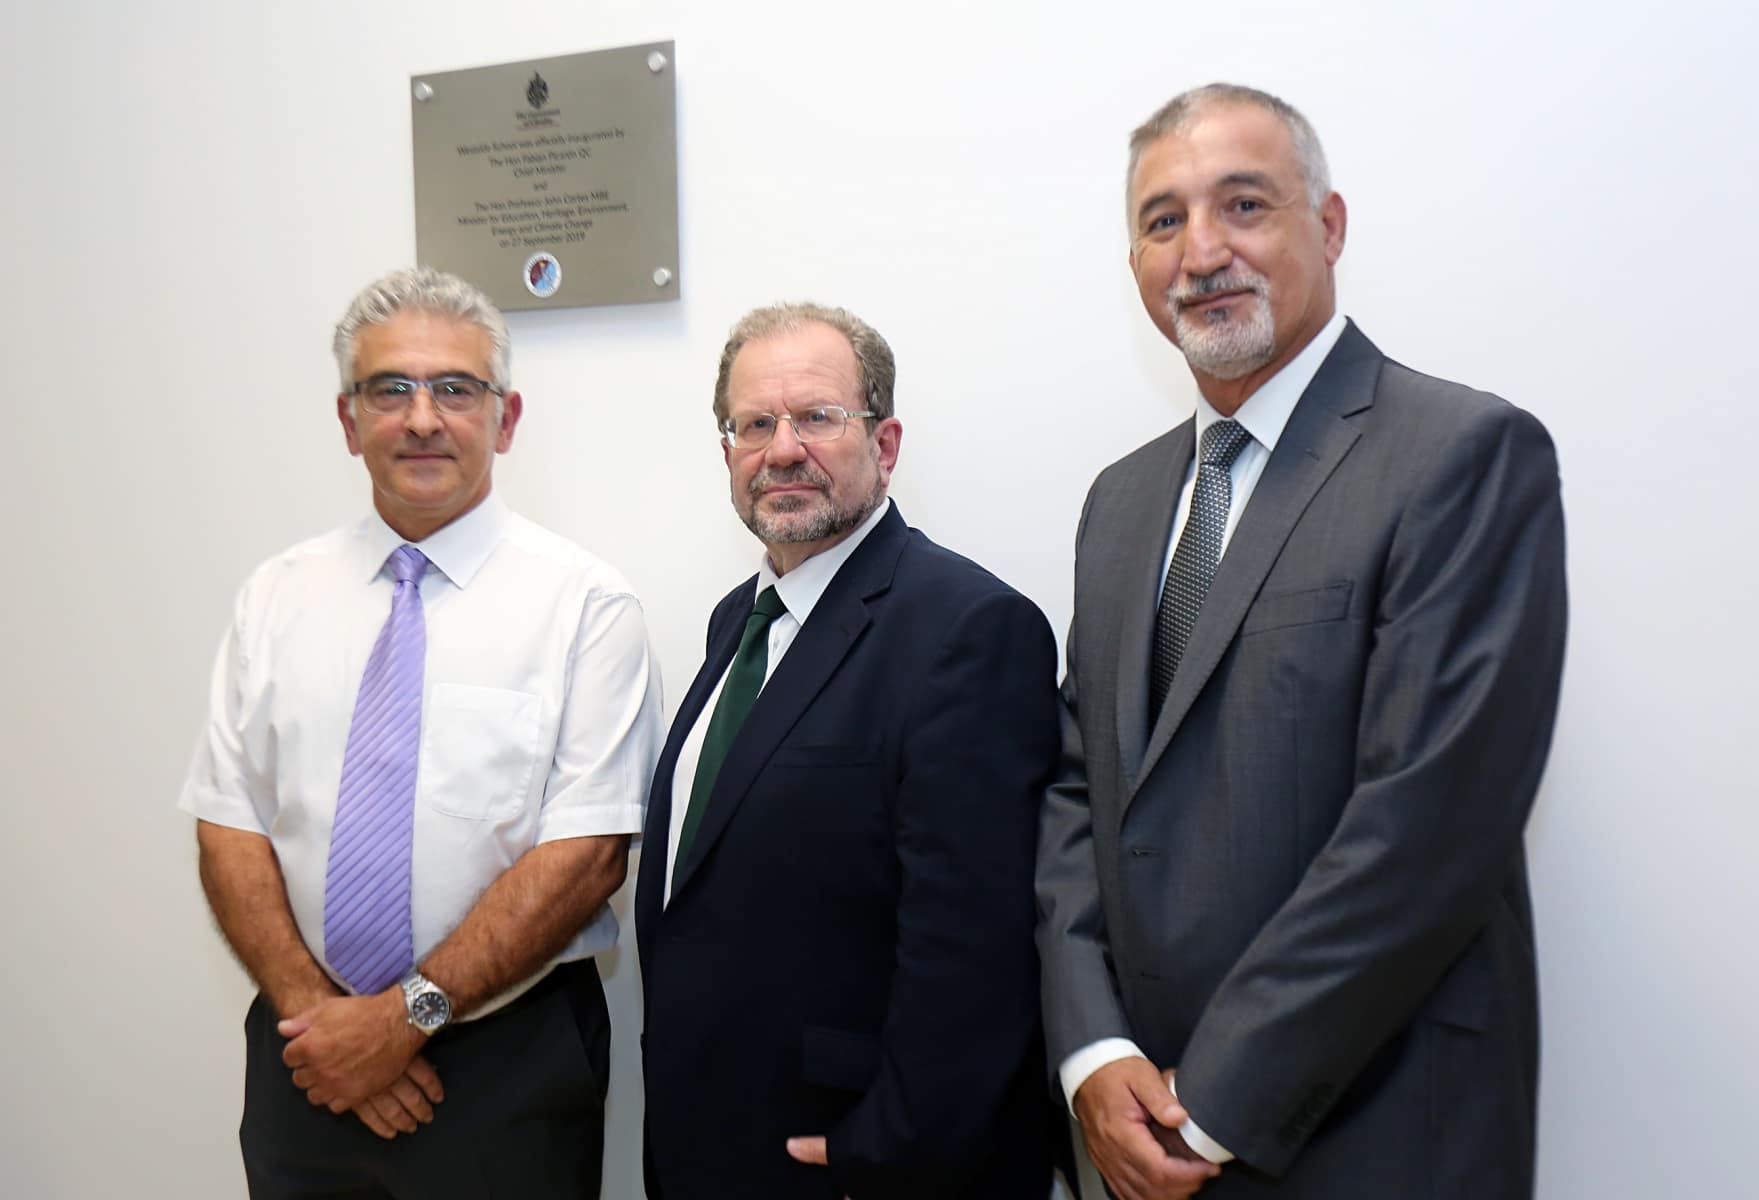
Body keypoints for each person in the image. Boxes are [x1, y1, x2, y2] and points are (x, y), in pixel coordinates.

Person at [1036, 84, 1567, 1200]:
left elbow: (1425, 829)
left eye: (1243, 204)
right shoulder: (1119, 504)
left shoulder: (1461, 456)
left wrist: (1211, 1103)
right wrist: (1093, 1052)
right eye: (1164, 220)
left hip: (1377, 1133)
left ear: (1327, 226)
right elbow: (1079, 791)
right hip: (1135, 1126)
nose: (1202, 252)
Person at [180, 266, 663, 1198]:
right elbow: (227, 822)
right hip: (306, 1052)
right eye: (389, 389)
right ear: (347, 418)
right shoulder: (275, 595)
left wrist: (403, 1020)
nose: (422, 418)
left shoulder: (585, 605)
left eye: (455, 389)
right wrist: (324, 1022)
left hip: (503, 1062)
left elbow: (588, 855)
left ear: (506, 418)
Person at [635, 303, 1062, 1199]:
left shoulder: (968, 628)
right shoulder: (736, 623)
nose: (782, 450)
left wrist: (892, 1145)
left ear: (885, 442)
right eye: (755, 424)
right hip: (712, 1140)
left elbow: (976, 944)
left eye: (817, 417)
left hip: (860, 1162)